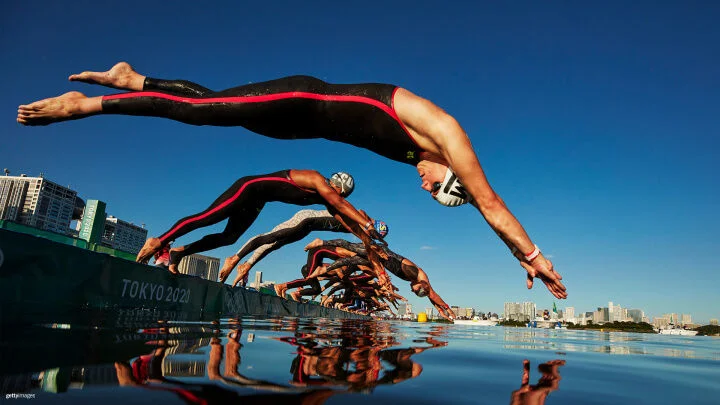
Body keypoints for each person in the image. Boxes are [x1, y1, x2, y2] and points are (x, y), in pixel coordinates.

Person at [17, 62, 566, 299]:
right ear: (454, 173)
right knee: (202, 113)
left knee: (211, 104)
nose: (422, 184)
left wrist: (513, 254)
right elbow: (487, 200)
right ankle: (86, 104)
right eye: (436, 186)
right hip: (302, 96)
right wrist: (532, 253)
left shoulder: (435, 162)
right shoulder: (447, 135)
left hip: (299, 127)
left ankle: (134, 78)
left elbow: (479, 205)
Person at [133, 169, 389, 285]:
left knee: (229, 237)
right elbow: (342, 207)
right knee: (208, 217)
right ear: (336, 186)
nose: (338, 199)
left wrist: (370, 247)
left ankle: (179, 252)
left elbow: (350, 224)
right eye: (339, 195)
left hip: (258, 202)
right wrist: (367, 222)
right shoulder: (317, 179)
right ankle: (160, 241)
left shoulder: (329, 199)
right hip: (249, 188)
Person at [218, 207, 388, 286]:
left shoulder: (360, 232)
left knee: (275, 245)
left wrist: (380, 273)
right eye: (374, 233)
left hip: (308, 228)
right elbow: (363, 216)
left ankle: (247, 265)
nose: (372, 238)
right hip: (306, 218)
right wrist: (369, 230)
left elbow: (369, 251)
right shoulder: (361, 216)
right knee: (272, 237)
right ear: (373, 224)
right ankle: (236, 258)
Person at [307, 238, 456, 320]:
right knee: (350, 248)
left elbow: (432, 295)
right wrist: (382, 274)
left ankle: (324, 269)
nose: (411, 289)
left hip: (381, 260)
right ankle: (322, 242)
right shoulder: (412, 272)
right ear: (420, 284)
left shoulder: (423, 282)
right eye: (414, 289)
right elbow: (432, 294)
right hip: (379, 252)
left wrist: (442, 309)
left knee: (352, 259)